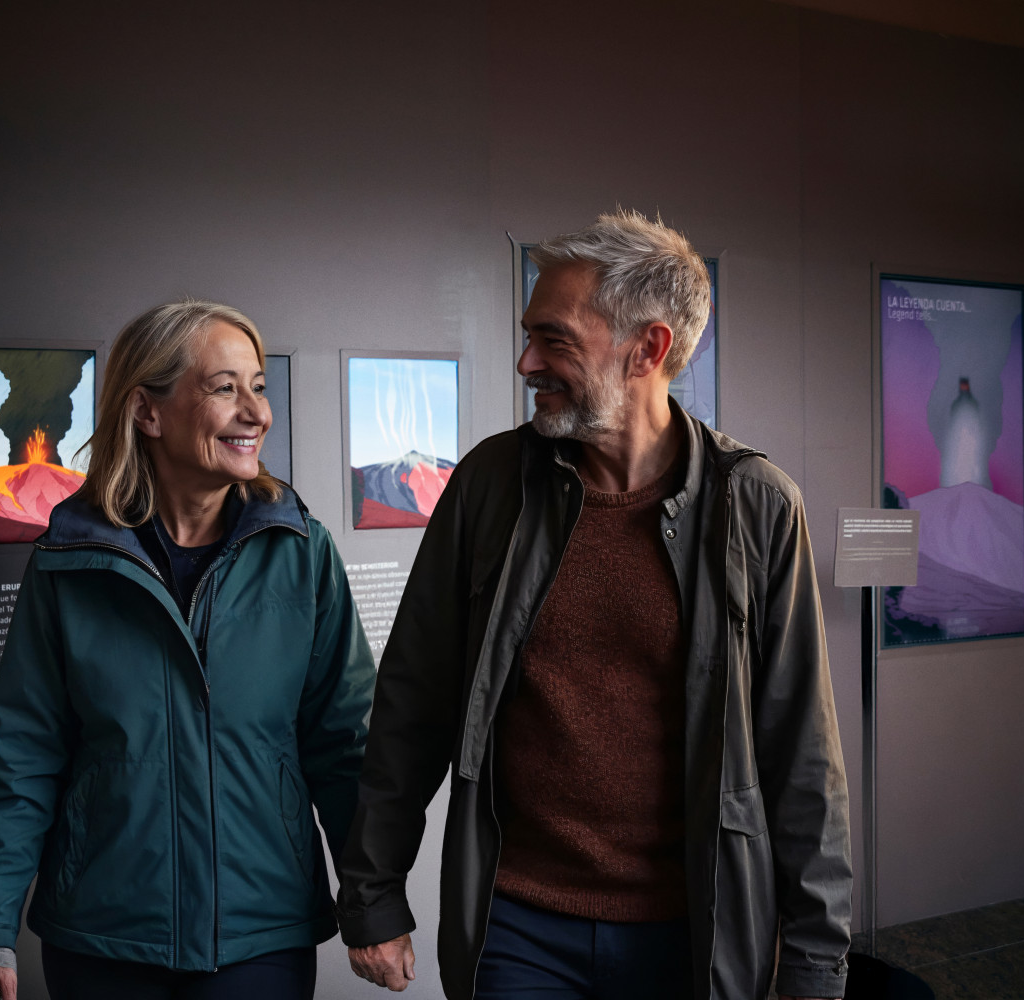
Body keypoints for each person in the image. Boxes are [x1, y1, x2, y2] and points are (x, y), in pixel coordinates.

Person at [337, 211, 852, 1000]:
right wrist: (372, 891)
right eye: (527, 335)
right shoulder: (489, 484)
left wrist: (815, 964)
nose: (525, 361)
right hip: (519, 926)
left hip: (694, 929)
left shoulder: (755, 505)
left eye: (554, 340)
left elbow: (800, 754)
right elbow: (414, 700)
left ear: (646, 348)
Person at [0, 300, 374, 1000]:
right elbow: (23, 756)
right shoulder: (68, 562)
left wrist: (373, 905)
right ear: (147, 413)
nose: (255, 412)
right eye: (223, 387)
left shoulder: (301, 554)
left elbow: (345, 747)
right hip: (103, 936)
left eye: (258, 387)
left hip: (259, 936)